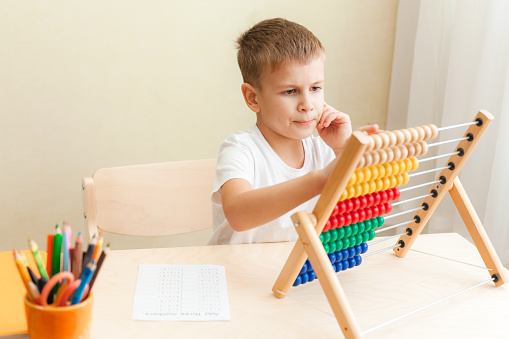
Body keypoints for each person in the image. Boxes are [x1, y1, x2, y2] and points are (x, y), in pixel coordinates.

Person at [208, 18, 377, 245]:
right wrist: (321, 179)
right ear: (253, 98)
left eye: (315, 88)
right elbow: (238, 215)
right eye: (290, 91)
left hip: (298, 272)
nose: (307, 104)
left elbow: (354, 216)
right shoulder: (240, 149)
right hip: (237, 272)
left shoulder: (324, 151)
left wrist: (342, 150)